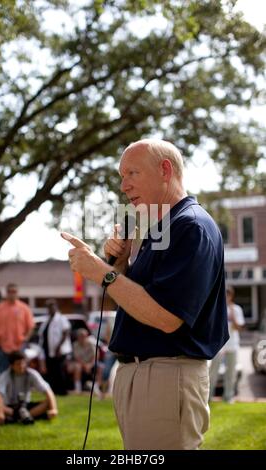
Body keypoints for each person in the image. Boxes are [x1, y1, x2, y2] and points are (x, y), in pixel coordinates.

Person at [61, 138, 229, 450]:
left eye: (132, 174)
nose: (124, 186)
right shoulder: (162, 228)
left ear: (165, 170)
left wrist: (101, 271)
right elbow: (137, 303)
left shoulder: (190, 226)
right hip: (147, 376)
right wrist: (121, 263)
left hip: (165, 377)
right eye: (121, 177)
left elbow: (167, 317)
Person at [0, 350, 58, 425]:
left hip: (26, 405)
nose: (21, 366)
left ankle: (20, 417)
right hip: (11, 407)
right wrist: (0, 412)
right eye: (18, 364)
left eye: (23, 363)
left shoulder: (31, 373)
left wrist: (54, 409)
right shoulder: (5, 375)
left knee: (48, 403)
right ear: (12, 365)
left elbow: (47, 390)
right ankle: (27, 417)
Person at [0, 283, 35, 373]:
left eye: (14, 292)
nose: (12, 294)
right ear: (6, 293)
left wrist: (26, 339)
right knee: (4, 373)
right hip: (3, 347)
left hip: (19, 347)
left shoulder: (24, 308)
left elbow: (31, 326)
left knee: (19, 372)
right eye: (10, 292)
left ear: (17, 293)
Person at [209, 286, 245, 403]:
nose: (226, 297)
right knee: (212, 372)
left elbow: (239, 328)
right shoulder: (217, 308)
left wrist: (232, 315)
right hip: (218, 347)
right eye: (225, 294)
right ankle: (208, 397)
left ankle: (228, 397)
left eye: (228, 295)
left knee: (231, 373)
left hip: (232, 345)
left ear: (231, 296)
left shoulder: (237, 309)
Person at [38, 299, 72, 395]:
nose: (50, 309)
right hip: (48, 350)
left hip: (59, 350)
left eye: (52, 306)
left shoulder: (61, 319)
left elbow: (66, 333)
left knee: (59, 371)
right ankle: (54, 391)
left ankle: (62, 391)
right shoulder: (47, 320)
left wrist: (58, 347)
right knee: (52, 371)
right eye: (48, 307)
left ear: (56, 307)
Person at [67, 328, 102, 395]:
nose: (82, 338)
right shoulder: (75, 345)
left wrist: (90, 365)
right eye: (80, 336)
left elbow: (96, 356)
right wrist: (85, 366)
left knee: (100, 367)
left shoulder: (91, 344)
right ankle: (78, 388)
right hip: (80, 364)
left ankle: (96, 387)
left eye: (84, 336)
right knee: (77, 367)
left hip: (90, 364)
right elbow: (77, 358)